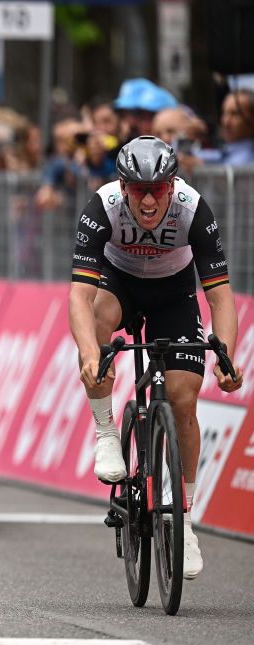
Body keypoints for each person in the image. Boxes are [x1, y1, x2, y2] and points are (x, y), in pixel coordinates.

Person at [68, 135, 244, 580]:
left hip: (173, 291)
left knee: (184, 400)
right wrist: (91, 355)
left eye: (158, 189)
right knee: (99, 320)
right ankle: (107, 431)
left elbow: (221, 297)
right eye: (138, 189)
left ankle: (184, 519)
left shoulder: (193, 209)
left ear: (173, 184)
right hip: (118, 282)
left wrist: (225, 355)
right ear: (123, 185)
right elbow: (78, 297)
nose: (148, 200)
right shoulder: (102, 206)